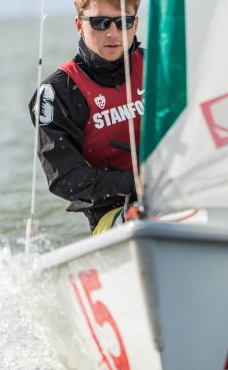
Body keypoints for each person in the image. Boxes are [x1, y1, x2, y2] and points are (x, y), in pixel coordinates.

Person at [28, 0, 143, 235]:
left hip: (181, 196)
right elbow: (65, 178)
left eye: (123, 22)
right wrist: (138, 185)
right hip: (114, 215)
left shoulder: (161, 68)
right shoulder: (57, 92)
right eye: (100, 23)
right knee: (146, 217)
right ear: (79, 25)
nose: (113, 33)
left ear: (136, 24)